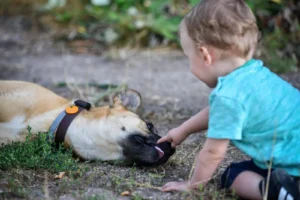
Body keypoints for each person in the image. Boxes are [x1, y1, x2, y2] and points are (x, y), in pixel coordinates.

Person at [157, 0, 300, 199]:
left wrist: (194, 184)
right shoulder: (255, 72)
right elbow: (218, 111)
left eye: (188, 57)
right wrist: (183, 130)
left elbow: (213, 153)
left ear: (205, 55)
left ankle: (278, 192)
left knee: (232, 175)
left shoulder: (228, 97)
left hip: (291, 164)